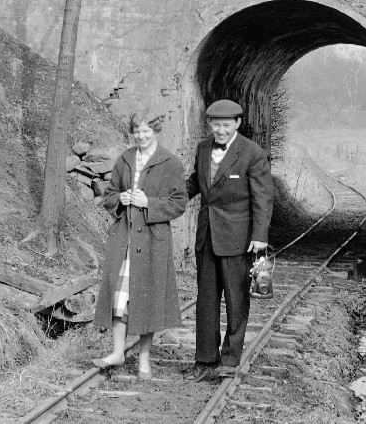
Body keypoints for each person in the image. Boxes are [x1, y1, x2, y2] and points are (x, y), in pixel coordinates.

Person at [92, 110, 188, 380]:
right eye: (136, 131)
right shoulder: (125, 159)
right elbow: (108, 194)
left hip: (152, 241)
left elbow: (179, 202)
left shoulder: (170, 163)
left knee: (148, 301)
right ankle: (118, 352)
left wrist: (150, 204)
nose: (141, 136)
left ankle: (144, 359)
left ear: (156, 130)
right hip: (125, 239)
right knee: (118, 298)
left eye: (146, 131)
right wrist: (118, 198)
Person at [183, 98, 273, 382]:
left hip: (238, 238)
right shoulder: (202, 148)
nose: (220, 131)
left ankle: (231, 359)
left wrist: (259, 237)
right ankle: (205, 359)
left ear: (237, 124)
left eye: (226, 125)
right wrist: (169, 198)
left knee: (236, 300)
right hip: (207, 234)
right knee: (206, 299)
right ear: (208, 124)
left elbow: (263, 198)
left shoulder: (252, 153)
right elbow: (196, 182)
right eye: (215, 125)